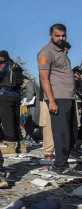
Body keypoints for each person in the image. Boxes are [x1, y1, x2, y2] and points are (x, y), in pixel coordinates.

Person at [37, 23, 81, 176]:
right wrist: (52, 101)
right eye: (57, 35)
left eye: (63, 35)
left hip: (69, 96)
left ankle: (63, 160)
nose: (61, 38)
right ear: (50, 36)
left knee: (72, 132)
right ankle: (60, 165)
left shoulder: (63, 53)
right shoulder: (46, 52)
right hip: (58, 97)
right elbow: (44, 78)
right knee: (61, 133)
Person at [0, 50, 26, 154]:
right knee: (16, 120)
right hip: (17, 96)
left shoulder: (3, 65)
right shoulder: (16, 65)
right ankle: (22, 145)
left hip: (5, 95)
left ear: (1, 58)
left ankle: (11, 146)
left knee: (7, 121)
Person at [22, 75, 40, 141]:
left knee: (29, 121)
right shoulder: (34, 83)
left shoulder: (29, 84)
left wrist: (26, 102)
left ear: (24, 80)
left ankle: (28, 137)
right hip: (37, 105)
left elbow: (31, 94)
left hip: (33, 106)